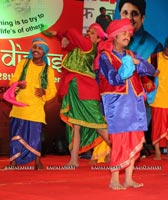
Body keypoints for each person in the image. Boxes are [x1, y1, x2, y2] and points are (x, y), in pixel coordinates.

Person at [98, 18, 157, 190]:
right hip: (117, 105)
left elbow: (151, 70)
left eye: (129, 34)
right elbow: (112, 78)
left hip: (135, 104)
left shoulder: (132, 55)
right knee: (119, 141)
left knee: (134, 139)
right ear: (114, 36)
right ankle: (114, 179)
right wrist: (126, 67)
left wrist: (140, 63)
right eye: (123, 33)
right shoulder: (105, 56)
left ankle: (129, 178)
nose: (127, 36)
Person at [47, 23, 110, 167]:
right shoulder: (80, 48)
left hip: (86, 90)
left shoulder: (88, 47)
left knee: (99, 125)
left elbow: (72, 31)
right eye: (88, 31)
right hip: (75, 89)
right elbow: (69, 44)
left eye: (93, 32)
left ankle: (121, 152)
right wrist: (59, 36)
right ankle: (74, 159)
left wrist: (61, 31)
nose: (88, 33)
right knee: (75, 126)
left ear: (99, 39)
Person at [118, 0, 163, 156]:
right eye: (125, 13)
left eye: (134, 13)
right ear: (119, 15)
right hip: (116, 94)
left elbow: (154, 75)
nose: (129, 17)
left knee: (135, 130)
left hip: (140, 97)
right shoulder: (111, 42)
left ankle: (136, 149)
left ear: (142, 18)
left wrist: (145, 99)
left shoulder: (153, 45)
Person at [5, 37, 57, 170]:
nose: (36, 50)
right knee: (16, 133)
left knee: (36, 135)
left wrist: (44, 91)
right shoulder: (23, 63)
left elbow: (53, 90)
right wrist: (18, 84)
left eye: (40, 49)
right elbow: (13, 80)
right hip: (20, 105)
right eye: (34, 48)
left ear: (44, 52)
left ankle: (37, 161)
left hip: (36, 108)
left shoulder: (48, 70)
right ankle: (13, 162)